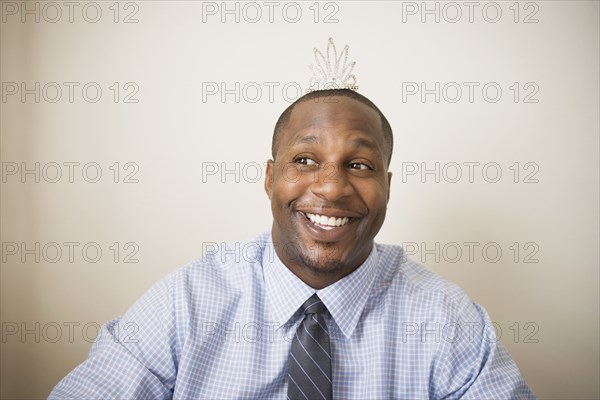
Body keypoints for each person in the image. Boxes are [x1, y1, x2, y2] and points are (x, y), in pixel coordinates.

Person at [49, 87, 536, 399]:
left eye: (360, 165)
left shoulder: (448, 320)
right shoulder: (186, 303)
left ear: (388, 185)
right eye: (305, 160)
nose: (331, 188)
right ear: (270, 177)